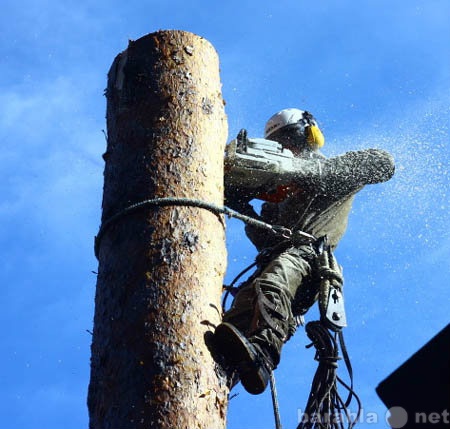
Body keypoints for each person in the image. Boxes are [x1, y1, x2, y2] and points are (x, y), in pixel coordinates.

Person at [213, 108, 395, 395]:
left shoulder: (336, 173)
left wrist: (303, 172)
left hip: (309, 258)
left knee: (274, 281)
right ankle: (223, 366)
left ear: (310, 136)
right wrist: (242, 205)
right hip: (275, 264)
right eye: (281, 144)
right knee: (245, 304)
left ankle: (263, 354)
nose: (288, 149)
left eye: (291, 139)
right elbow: (267, 240)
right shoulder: (278, 200)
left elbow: (383, 163)